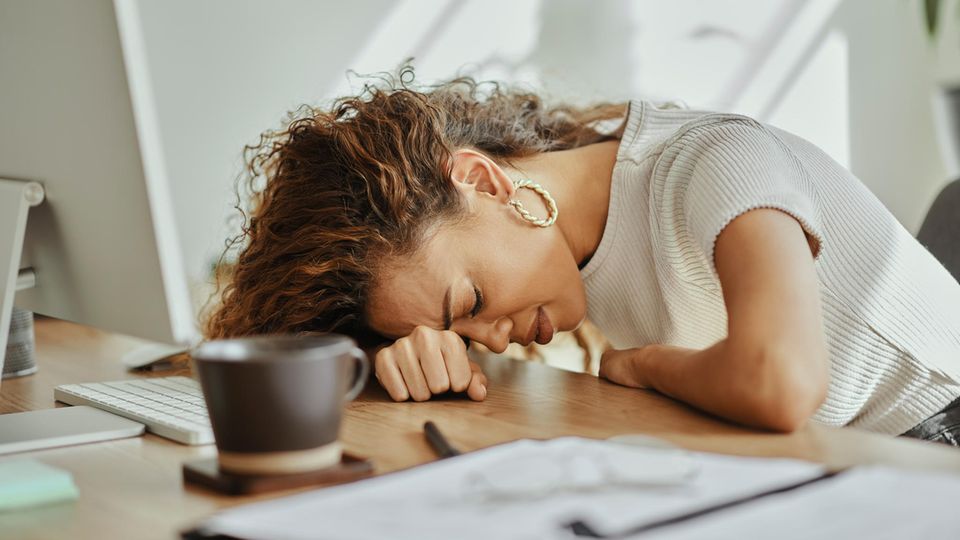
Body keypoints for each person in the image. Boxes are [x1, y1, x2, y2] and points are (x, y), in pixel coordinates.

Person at [204, 67, 960, 444]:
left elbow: (780, 383)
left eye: (469, 307)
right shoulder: (572, 247)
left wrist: (640, 366)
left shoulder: (714, 164)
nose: (491, 338)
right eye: (465, 332)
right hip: (844, 456)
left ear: (484, 179)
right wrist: (406, 357)